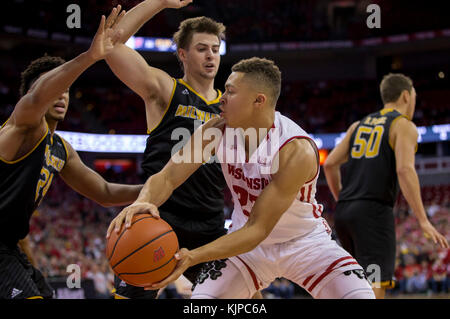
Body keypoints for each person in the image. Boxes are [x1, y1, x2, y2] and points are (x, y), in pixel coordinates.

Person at [107, 57, 376, 299]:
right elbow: (166, 178)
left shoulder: (295, 149)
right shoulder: (215, 131)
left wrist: (192, 256)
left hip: (304, 243)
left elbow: (258, 229)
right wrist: (142, 202)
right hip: (247, 251)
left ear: (258, 101)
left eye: (230, 92)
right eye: (224, 90)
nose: (221, 98)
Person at [0, 7, 143, 299]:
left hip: (8, 246)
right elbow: (39, 95)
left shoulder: (60, 149)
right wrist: (90, 56)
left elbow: (103, 191)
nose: (63, 94)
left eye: (68, 89)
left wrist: (154, 190)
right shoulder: (22, 125)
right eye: (59, 87)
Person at [103, 1, 238, 299]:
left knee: (246, 300)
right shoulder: (165, 90)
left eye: (215, 49)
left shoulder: (231, 107)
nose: (211, 55)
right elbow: (110, 45)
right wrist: (159, 1)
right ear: (182, 54)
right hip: (159, 215)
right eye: (202, 48)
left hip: (210, 223)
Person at [323, 73, 449, 299]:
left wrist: (343, 199)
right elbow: (404, 170)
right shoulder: (403, 125)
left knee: (357, 283)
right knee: (374, 284)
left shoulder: (357, 125)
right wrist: (422, 220)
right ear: (406, 96)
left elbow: (330, 164)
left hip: (345, 214)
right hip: (373, 213)